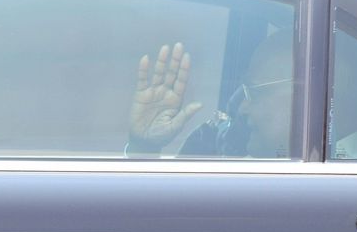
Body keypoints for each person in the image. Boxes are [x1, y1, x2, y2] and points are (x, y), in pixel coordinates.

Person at [126, 35, 293, 158]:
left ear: (299, 99)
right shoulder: (208, 146)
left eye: (255, 93)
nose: (243, 108)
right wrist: (143, 148)